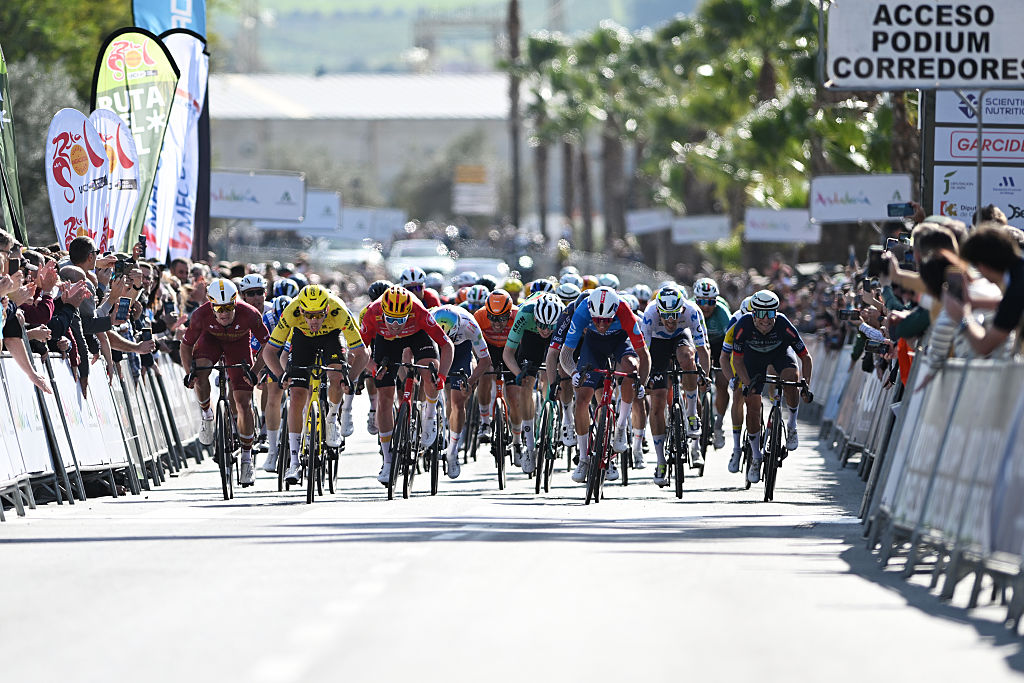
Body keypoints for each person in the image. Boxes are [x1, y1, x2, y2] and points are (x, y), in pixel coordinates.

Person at [262, 284, 369, 484]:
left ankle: (331, 419)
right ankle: (294, 462)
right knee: (297, 396)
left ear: (326, 309)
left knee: (337, 376)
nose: (314, 320)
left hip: (331, 337)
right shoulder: (292, 311)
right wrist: (280, 375)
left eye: (319, 315)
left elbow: (362, 352)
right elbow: (269, 351)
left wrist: (351, 378)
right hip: (303, 340)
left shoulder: (338, 309)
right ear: (301, 310)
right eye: (309, 315)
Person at [180, 278, 270, 487]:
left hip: (238, 346)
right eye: (219, 308)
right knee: (200, 371)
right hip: (210, 342)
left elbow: (268, 345)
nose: (224, 313)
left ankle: (247, 459)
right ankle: (207, 414)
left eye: (229, 307)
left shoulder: (250, 314)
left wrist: (255, 372)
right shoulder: (200, 315)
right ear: (211, 304)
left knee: (243, 402)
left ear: (235, 302)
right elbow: (185, 346)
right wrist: (188, 373)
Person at [360, 285, 453, 485]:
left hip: (418, 336)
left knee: (430, 371)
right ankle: (387, 460)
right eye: (391, 319)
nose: (395, 324)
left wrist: (442, 377)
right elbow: (359, 350)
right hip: (387, 343)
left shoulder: (419, 312)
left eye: (400, 320)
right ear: (382, 312)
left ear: (408, 313)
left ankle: (429, 417)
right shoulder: (373, 313)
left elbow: (447, 345)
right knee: (385, 397)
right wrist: (374, 368)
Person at [559, 286, 650, 484]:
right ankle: (583, 459)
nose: (601, 325)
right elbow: (565, 354)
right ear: (591, 311)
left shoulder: (624, 310)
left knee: (630, 368)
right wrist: (573, 372)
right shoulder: (583, 310)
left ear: (615, 312)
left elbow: (643, 355)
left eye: (607, 320)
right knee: (582, 396)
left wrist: (641, 383)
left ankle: (620, 427)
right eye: (597, 320)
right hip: (593, 346)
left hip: (619, 342)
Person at [730, 290, 813, 484]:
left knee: (791, 377)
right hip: (752, 361)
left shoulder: (783, 324)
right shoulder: (743, 325)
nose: (766, 320)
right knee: (752, 403)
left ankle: (791, 424)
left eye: (770, 314)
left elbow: (805, 357)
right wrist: (748, 384)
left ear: (776, 313)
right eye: (760, 314)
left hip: (780, 356)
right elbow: (738, 361)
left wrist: (805, 385)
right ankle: (756, 457)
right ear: (753, 313)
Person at [642, 285, 711, 486]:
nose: (671, 320)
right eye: (666, 316)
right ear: (658, 312)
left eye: (675, 315)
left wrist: (704, 377)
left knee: (688, 358)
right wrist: (644, 379)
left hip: (682, 337)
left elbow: (703, 349)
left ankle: (691, 415)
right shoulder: (649, 313)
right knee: (657, 402)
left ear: (682, 310)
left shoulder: (692, 311)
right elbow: (643, 353)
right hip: (656, 345)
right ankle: (661, 462)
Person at [502, 294, 564, 474]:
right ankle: (529, 448)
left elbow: (567, 355)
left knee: (559, 377)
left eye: (549, 326)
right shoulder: (525, 314)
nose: (545, 330)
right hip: (531, 337)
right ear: (535, 318)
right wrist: (519, 373)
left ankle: (558, 417)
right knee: (526, 383)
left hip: (556, 341)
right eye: (542, 325)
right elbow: (508, 354)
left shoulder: (562, 320)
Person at [432, 304, 492, 478]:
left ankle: (452, 450)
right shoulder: (429, 318)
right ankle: (427, 419)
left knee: (457, 402)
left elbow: (485, 360)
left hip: (461, 352)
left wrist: (471, 381)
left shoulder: (469, 325)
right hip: (437, 349)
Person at [945, 225, 1024, 356]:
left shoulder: (1016, 289)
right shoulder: (1018, 273)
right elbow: (1006, 307)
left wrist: (963, 317)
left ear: (982, 266)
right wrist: (972, 302)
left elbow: (984, 346)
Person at [473, 290, 518, 450]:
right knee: (484, 375)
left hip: (510, 350)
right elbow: (474, 343)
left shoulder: (517, 316)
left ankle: (517, 433)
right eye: (493, 318)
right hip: (489, 349)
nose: (497, 323)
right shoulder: (479, 317)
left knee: (513, 393)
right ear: (487, 313)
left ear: (510, 313)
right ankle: (485, 421)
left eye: (502, 318)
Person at [692, 277, 733, 448]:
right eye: (702, 301)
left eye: (711, 302)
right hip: (696, 345)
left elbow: (732, 338)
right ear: (695, 300)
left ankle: (718, 425)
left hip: (719, 346)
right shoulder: (690, 309)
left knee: (723, 382)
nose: (706, 306)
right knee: (693, 380)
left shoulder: (722, 312)